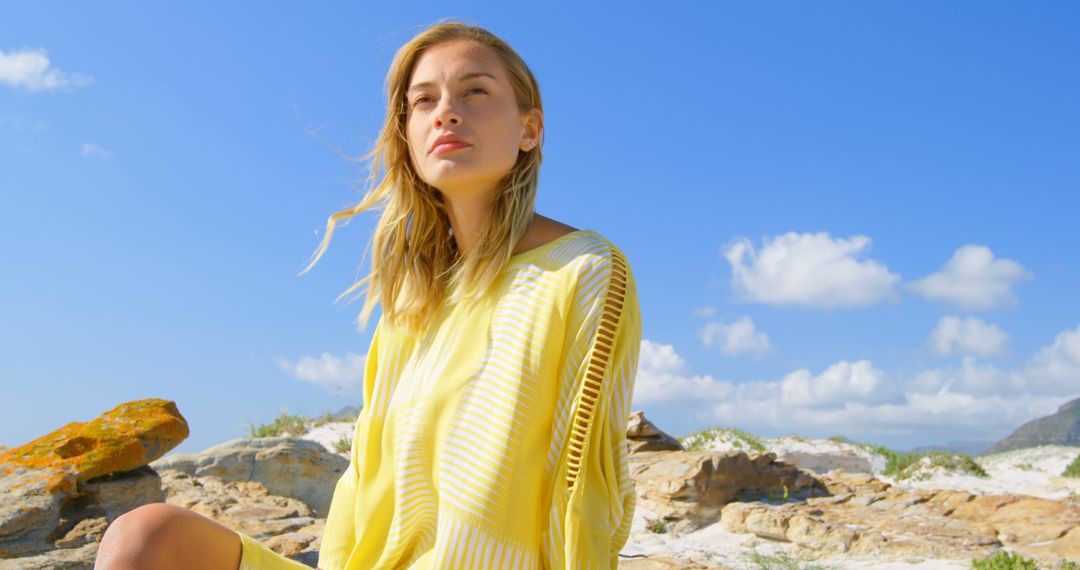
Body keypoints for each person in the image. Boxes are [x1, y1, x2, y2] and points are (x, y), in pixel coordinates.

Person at [94, 19, 641, 570]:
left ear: (530, 129)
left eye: (475, 91)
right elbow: (362, 483)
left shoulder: (583, 270)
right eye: (424, 101)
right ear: (408, 134)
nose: (446, 111)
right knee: (145, 536)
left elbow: (585, 488)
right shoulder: (412, 301)